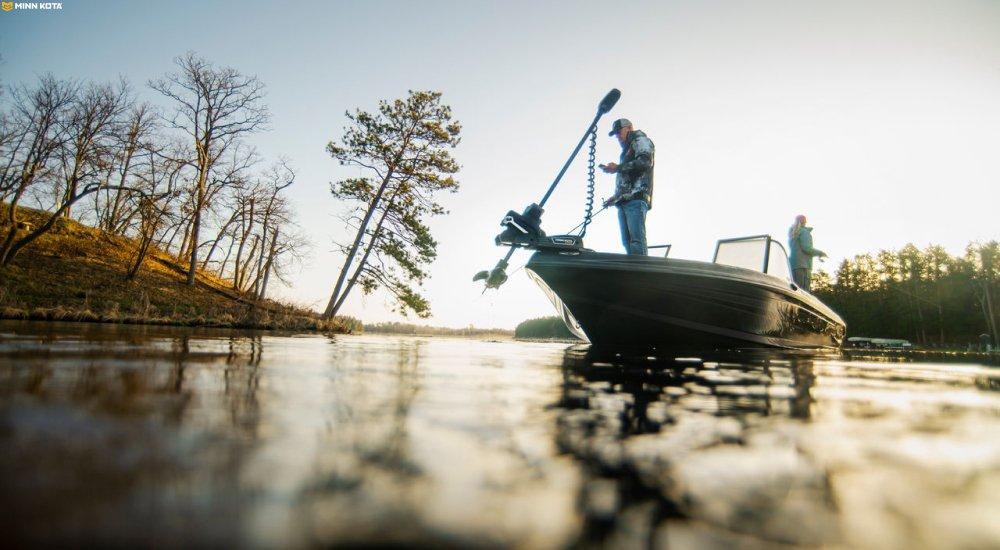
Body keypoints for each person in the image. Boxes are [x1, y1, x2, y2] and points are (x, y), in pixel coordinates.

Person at [599, 118, 654, 255]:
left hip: (636, 199)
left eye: (619, 132)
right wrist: (616, 197)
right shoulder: (627, 151)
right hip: (625, 200)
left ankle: (642, 271)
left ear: (629, 128)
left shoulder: (640, 140)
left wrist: (617, 167)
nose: (617, 136)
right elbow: (628, 179)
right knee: (627, 242)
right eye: (615, 134)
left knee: (636, 240)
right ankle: (634, 271)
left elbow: (645, 162)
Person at [788, 214, 827, 292]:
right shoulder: (804, 232)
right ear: (805, 221)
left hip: (793, 266)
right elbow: (807, 248)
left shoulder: (792, 234)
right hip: (804, 267)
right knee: (803, 292)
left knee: (794, 291)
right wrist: (820, 253)